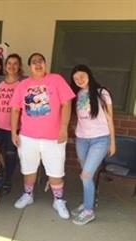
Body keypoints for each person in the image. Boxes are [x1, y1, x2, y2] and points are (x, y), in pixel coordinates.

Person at [10, 52, 75, 219]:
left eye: (41, 61)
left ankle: (58, 200)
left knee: (56, 170)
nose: (38, 64)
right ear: (29, 66)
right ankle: (28, 195)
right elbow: (16, 109)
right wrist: (13, 132)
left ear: (45, 64)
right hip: (28, 136)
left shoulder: (56, 79)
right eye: (34, 62)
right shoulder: (23, 85)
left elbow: (67, 103)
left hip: (53, 137)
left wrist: (63, 128)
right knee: (29, 168)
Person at [70, 65, 115, 225]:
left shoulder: (102, 93)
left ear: (89, 75)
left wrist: (112, 143)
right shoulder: (76, 94)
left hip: (100, 140)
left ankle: (89, 211)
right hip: (82, 140)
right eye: (75, 78)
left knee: (86, 175)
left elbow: (110, 119)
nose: (79, 80)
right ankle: (87, 202)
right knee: (85, 175)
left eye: (82, 76)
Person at [0, 53, 25, 195]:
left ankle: (7, 180)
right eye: (9, 63)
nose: (12, 66)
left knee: (10, 155)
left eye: (15, 63)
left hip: (14, 128)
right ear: (5, 65)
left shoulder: (24, 82)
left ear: (20, 66)